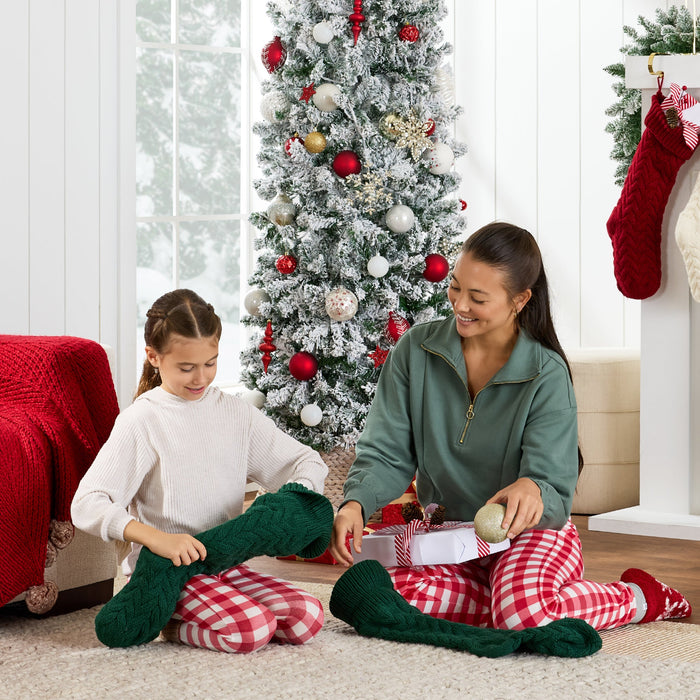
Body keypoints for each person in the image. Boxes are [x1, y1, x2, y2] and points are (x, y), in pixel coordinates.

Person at [330, 222, 691, 631]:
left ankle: (639, 597)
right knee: (380, 595)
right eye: (455, 287)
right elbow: (387, 452)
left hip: (532, 534)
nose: (459, 305)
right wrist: (356, 502)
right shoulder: (416, 351)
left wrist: (532, 487)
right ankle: (510, 597)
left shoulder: (545, 373)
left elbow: (554, 485)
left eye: (477, 297)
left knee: (524, 614)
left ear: (519, 300)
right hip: (453, 538)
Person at [72, 289, 328, 653]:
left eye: (210, 363)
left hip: (223, 561)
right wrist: (155, 538)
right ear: (154, 357)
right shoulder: (143, 420)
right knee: (251, 630)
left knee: (307, 616)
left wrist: (287, 503)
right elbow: (88, 503)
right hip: (169, 570)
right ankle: (170, 623)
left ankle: (201, 612)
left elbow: (306, 462)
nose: (200, 378)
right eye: (186, 367)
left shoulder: (235, 413)